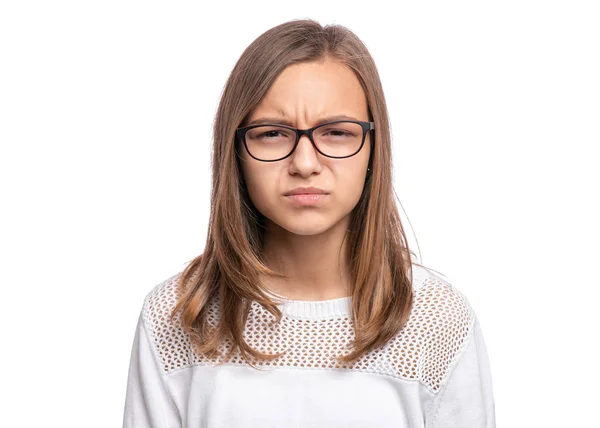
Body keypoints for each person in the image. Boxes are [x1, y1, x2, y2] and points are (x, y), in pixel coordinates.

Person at [122, 19, 496, 428]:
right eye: (272, 134)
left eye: (336, 132)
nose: (304, 163)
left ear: (374, 147)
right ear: (236, 150)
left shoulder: (435, 320)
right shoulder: (175, 317)